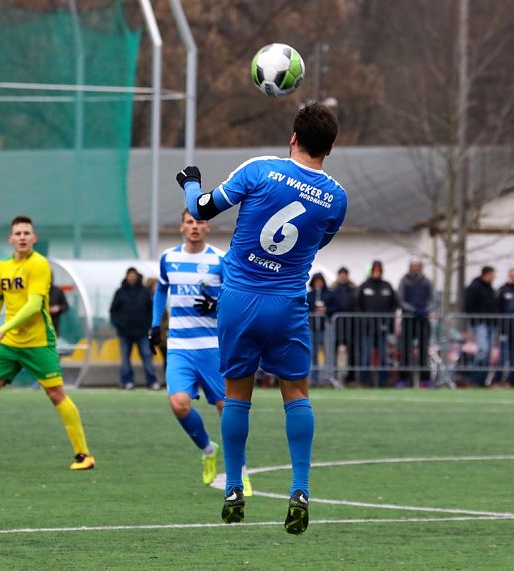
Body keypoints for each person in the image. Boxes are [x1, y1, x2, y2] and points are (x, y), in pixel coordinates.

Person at [175, 102, 347, 534]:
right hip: (286, 302)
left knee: (237, 394)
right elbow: (317, 243)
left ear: (293, 137)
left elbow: (200, 210)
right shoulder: (337, 198)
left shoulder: (259, 170)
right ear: (331, 147)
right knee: (296, 393)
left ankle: (233, 486)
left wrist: (189, 182)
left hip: (239, 298)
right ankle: (300, 490)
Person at [0, 215, 94, 470]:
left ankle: (84, 455)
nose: (22, 237)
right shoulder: (2, 268)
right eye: (18, 233)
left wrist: (2, 329)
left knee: (55, 394)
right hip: (11, 344)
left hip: (38, 342)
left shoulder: (39, 265)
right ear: (10, 239)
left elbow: (34, 305)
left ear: (34, 238)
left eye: (27, 233)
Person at [149, 209, 251, 495]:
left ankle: (240, 473)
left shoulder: (220, 260)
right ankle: (208, 450)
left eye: (200, 222)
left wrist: (217, 304)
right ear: (182, 226)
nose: (194, 226)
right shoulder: (169, 258)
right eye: (190, 222)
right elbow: (161, 289)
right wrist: (155, 325)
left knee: (227, 410)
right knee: (179, 404)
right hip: (180, 347)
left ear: (208, 227)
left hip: (213, 348)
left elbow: (235, 294)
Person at [110, 267, 159, 390]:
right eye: (129, 275)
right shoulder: (120, 292)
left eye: (133, 275)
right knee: (125, 358)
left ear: (137, 276)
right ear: (126, 276)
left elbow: (151, 310)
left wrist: (149, 325)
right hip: (125, 332)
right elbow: (113, 311)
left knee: (147, 355)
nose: (132, 277)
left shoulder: (144, 292)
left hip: (142, 332)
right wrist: (119, 324)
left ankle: (152, 380)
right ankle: (127, 380)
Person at [355, 260, 398, 387]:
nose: (377, 272)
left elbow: (394, 304)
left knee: (383, 356)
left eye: (379, 270)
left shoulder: (387, 286)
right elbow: (357, 304)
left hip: (383, 328)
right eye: (375, 270)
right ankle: (364, 381)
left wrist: (389, 319)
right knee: (366, 356)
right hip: (367, 327)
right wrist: (363, 318)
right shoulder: (364, 286)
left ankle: (383, 381)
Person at [397, 259, 433, 386]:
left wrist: (426, 310)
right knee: (405, 349)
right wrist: (413, 310)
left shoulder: (426, 281)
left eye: (417, 266)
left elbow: (433, 299)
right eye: (413, 266)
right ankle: (403, 378)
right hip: (408, 320)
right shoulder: (404, 281)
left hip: (423, 320)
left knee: (424, 350)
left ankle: (425, 379)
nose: (415, 268)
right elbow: (400, 299)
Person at [464, 266, 498, 386]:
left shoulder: (490, 289)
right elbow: (468, 305)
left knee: (488, 353)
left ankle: (482, 380)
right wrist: (474, 319)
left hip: (491, 324)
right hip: (480, 323)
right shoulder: (475, 287)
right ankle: (474, 377)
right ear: (486, 274)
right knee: (482, 350)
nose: (494, 277)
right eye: (492, 275)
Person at [306, 272, 338, 384]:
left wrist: (326, 310)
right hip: (313, 327)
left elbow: (336, 308)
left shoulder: (330, 294)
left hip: (326, 327)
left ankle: (328, 377)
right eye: (316, 281)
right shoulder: (309, 295)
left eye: (320, 281)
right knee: (313, 353)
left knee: (328, 353)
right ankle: (314, 378)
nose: (318, 283)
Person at [331, 267, 357, 384]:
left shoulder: (353, 289)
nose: (342, 277)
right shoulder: (333, 289)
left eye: (344, 274)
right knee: (333, 350)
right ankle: (334, 374)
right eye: (340, 274)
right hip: (336, 324)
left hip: (351, 325)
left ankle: (351, 376)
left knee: (351, 350)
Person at [496, 267, 514, 385]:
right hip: (505, 328)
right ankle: (498, 378)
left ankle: (511, 379)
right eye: (513, 275)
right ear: (509, 276)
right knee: (503, 355)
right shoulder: (503, 290)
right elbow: (498, 308)